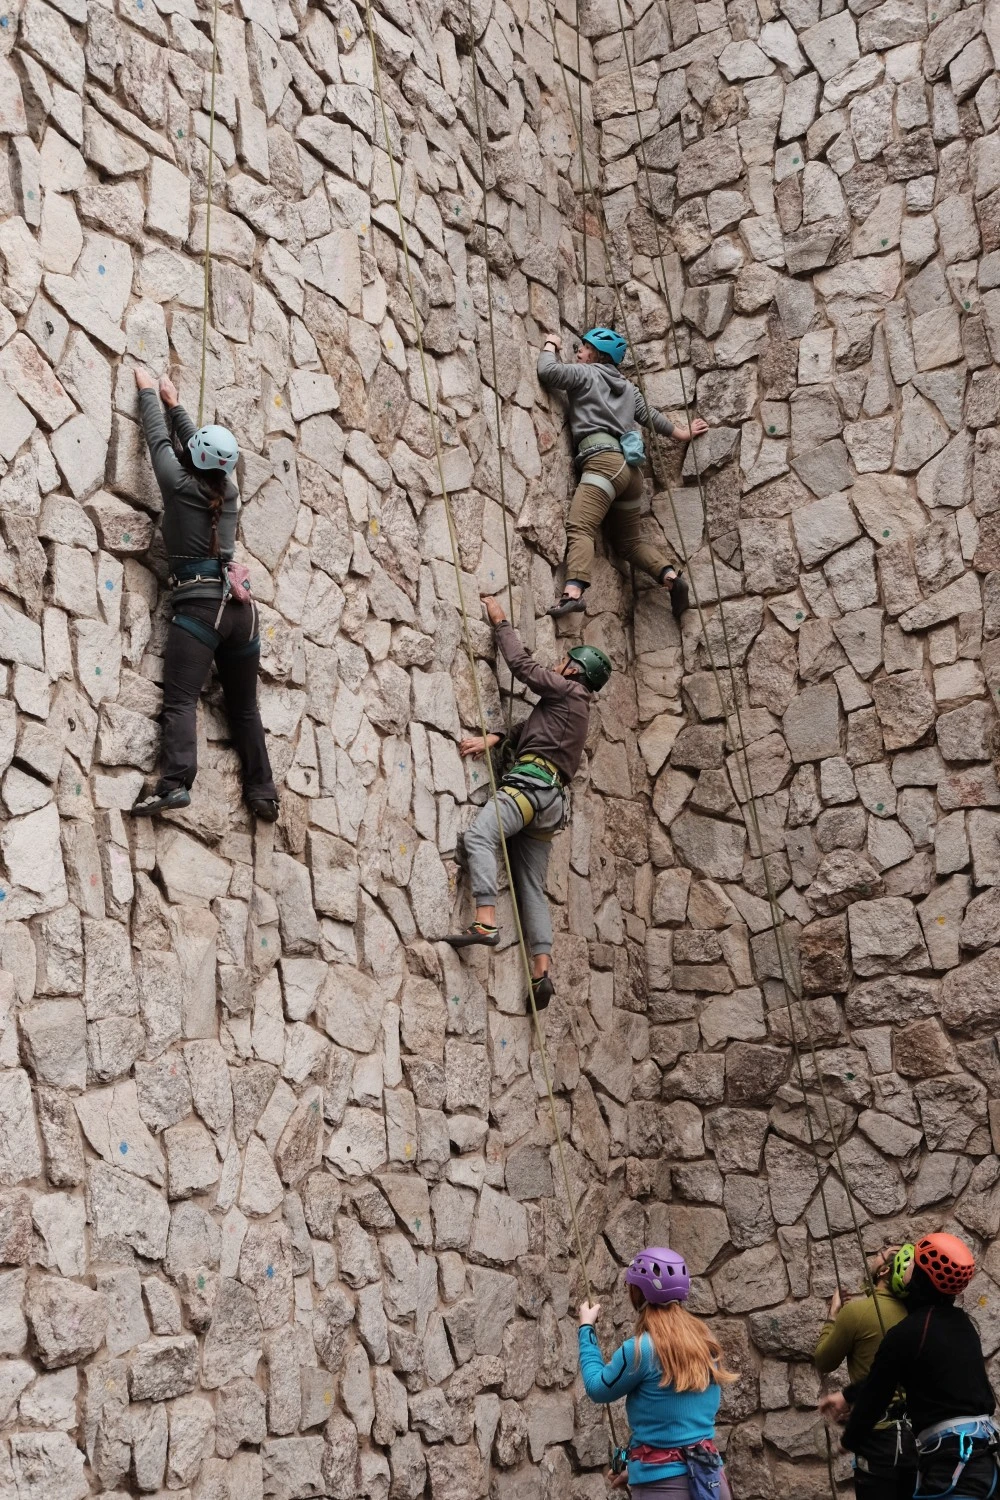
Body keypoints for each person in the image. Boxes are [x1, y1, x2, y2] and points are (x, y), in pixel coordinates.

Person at [445, 594, 611, 1011]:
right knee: (531, 887)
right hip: (551, 805)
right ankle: (541, 972)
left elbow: (522, 667)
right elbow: (536, 729)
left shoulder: (567, 690)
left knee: (479, 838)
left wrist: (501, 622)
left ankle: (485, 922)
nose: (558, 663)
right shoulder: (575, 707)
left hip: (529, 789)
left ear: (574, 670)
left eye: (565, 660)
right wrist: (497, 738)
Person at [129, 370, 279, 821]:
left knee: (181, 699)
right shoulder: (228, 492)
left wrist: (149, 393)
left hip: (200, 608)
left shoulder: (177, 482)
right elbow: (202, 452)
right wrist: (176, 404)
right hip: (241, 612)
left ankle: (175, 784)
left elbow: (158, 441)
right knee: (245, 707)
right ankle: (263, 793)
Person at [537, 328, 707, 620]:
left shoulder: (585, 374)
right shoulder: (629, 389)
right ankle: (668, 576)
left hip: (603, 463)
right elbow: (650, 416)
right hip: (630, 472)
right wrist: (682, 433)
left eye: (584, 348)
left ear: (597, 354)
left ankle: (573, 593)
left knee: (580, 526)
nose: (579, 352)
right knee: (628, 543)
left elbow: (548, 372)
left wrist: (550, 343)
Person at [836, 1234, 997, 1500]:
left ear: (922, 1275)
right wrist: (846, 1395)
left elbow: (877, 1393)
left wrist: (848, 1440)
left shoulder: (907, 1333)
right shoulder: (962, 1325)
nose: (907, 1263)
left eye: (914, 1261)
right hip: (982, 1462)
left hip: (953, 1468)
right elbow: (900, 1376)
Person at [577, 1245, 737, 1500]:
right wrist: (637, 1469)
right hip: (711, 1482)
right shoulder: (705, 1343)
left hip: (663, 1488)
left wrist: (586, 1328)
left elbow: (598, 1389)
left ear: (637, 1293)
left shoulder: (641, 1349)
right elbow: (683, 1426)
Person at [814, 1247, 915, 1500]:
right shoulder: (915, 1315)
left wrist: (833, 1316)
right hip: (916, 1438)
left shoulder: (856, 1313)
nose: (876, 1253)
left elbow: (823, 1360)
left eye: (882, 1252)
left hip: (876, 1437)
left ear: (884, 1271)